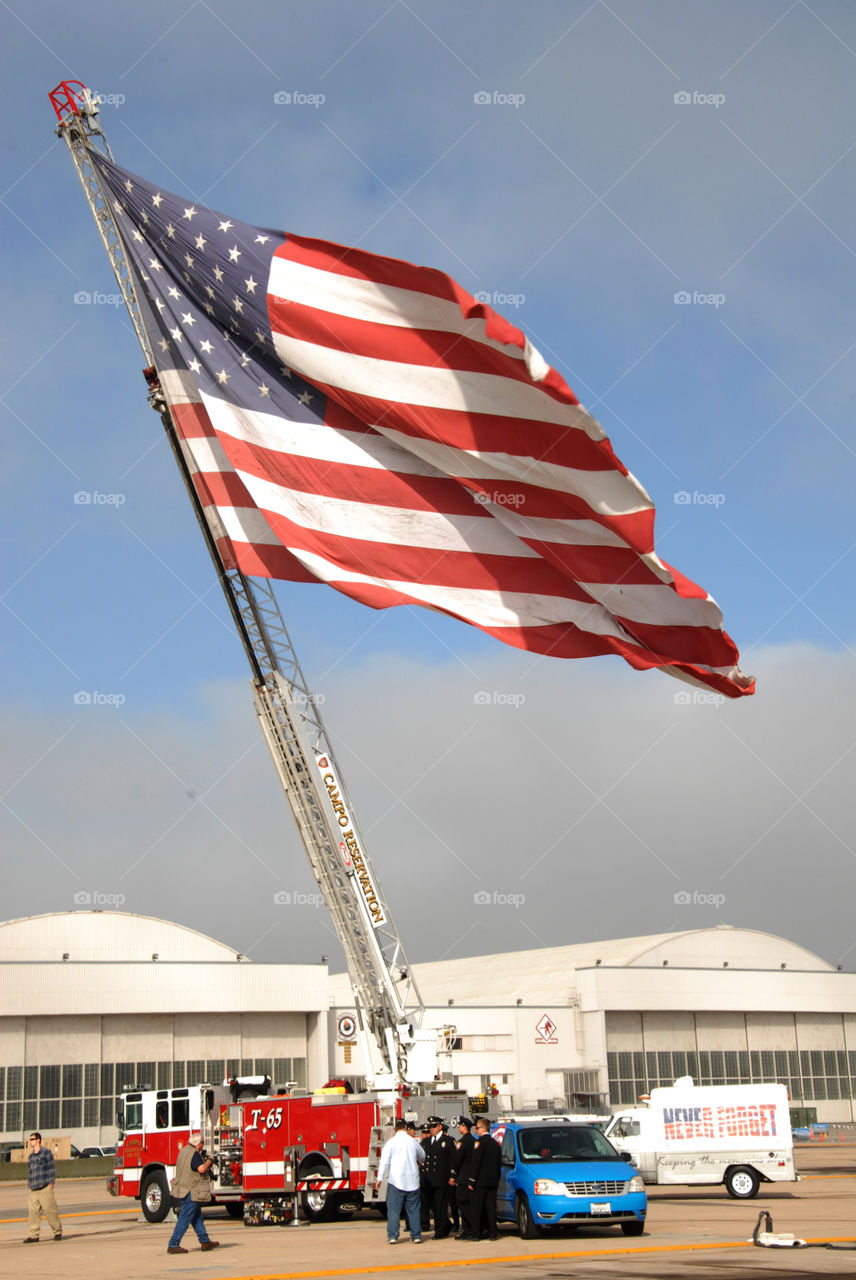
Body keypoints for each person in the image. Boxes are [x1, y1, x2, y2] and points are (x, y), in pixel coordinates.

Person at [166, 1132, 220, 1255]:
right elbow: (201, 1169)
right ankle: (173, 1244)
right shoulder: (194, 1154)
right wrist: (209, 1161)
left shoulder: (184, 1151)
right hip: (192, 1190)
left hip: (183, 1189)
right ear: (197, 1144)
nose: (202, 1145)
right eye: (202, 1142)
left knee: (196, 1217)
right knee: (185, 1218)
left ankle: (205, 1241)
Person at [373, 1117, 425, 1244]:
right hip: (412, 1181)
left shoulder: (391, 1143)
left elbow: (384, 1162)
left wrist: (379, 1179)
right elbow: (422, 1156)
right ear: (406, 1128)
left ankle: (393, 1236)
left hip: (396, 1181)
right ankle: (416, 1235)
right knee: (413, 1210)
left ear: (395, 1129)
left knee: (394, 1211)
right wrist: (419, 1162)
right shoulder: (413, 1142)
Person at [24, 1132, 62, 1243]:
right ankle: (33, 1235)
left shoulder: (46, 1153)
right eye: (30, 1139)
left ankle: (57, 1232)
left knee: (50, 1211)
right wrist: (29, 1185)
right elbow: (30, 1171)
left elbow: (51, 1168)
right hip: (33, 1188)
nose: (30, 1141)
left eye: (32, 1139)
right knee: (33, 1213)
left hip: (45, 1187)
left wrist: (51, 1183)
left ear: (38, 1140)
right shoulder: (31, 1156)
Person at [467, 1116, 501, 1241]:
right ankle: (493, 1233)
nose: (476, 1130)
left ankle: (476, 1234)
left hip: (480, 1182)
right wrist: (496, 1180)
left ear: (483, 1128)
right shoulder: (495, 1144)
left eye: (477, 1128)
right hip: (492, 1181)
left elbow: (476, 1163)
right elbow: (498, 1164)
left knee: (476, 1208)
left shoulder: (479, 1143)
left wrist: (471, 1180)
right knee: (491, 1208)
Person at [422, 1115, 455, 1238]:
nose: (432, 1129)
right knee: (433, 1206)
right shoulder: (426, 1142)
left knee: (441, 1206)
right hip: (428, 1180)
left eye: (434, 1126)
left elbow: (453, 1160)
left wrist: (452, 1176)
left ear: (440, 1126)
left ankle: (440, 1231)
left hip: (441, 1179)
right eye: (430, 1126)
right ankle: (445, 1225)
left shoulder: (448, 1141)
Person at [451, 1115, 475, 1240]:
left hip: (463, 1177)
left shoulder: (462, 1142)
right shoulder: (473, 1140)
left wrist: (453, 1175)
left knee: (462, 1203)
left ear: (464, 1127)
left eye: (460, 1126)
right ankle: (467, 1230)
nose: (459, 1128)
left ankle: (472, 1228)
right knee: (467, 1203)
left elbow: (457, 1160)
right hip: (470, 1176)